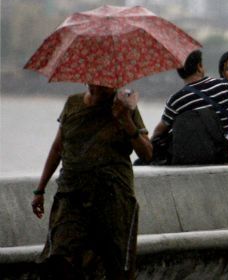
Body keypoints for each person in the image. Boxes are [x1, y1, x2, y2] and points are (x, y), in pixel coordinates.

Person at [31, 85, 153, 279]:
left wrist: (126, 121)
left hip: (114, 199)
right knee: (59, 258)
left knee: (118, 266)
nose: (103, 86)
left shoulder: (125, 106)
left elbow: (147, 153)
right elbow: (57, 148)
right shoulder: (73, 103)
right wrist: (40, 190)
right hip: (71, 195)